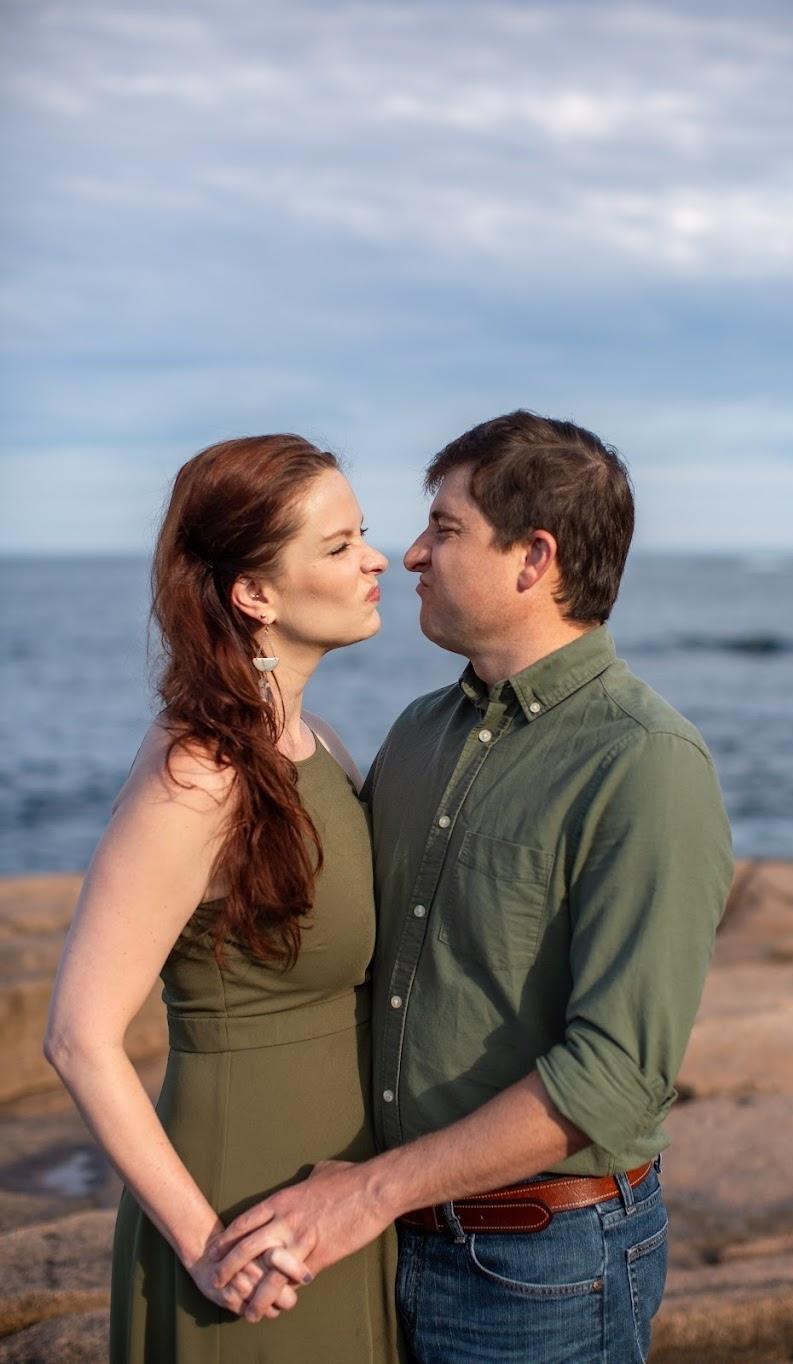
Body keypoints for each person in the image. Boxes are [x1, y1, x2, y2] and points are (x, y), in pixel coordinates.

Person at [212, 411, 734, 1363]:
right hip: (379, 1238)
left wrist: (365, 1194)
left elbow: (613, 1080)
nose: (409, 553)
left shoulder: (646, 764)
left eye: (444, 529)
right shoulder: (418, 732)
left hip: (543, 1269)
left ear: (534, 559)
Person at [44, 434, 402, 1363]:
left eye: (362, 532)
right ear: (254, 593)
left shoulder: (313, 739)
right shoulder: (197, 773)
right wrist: (205, 1247)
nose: (375, 558)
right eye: (337, 545)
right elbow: (79, 1036)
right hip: (239, 1214)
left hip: (339, 1193)